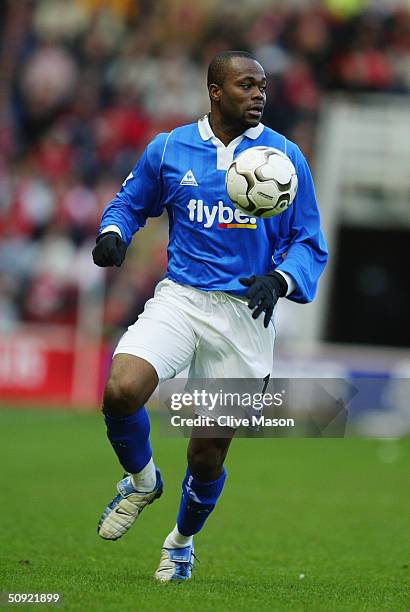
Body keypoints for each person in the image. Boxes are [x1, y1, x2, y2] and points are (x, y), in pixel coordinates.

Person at [92, 50, 328, 582]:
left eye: (263, 87)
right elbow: (130, 202)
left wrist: (280, 278)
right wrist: (114, 234)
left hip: (245, 315)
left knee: (206, 457)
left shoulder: (285, 157)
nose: (259, 95)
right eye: (247, 86)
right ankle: (142, 481)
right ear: (215, 92)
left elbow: (309, 242)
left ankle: (180, 542)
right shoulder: (170, 148)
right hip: (181, 297)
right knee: (121, 389)